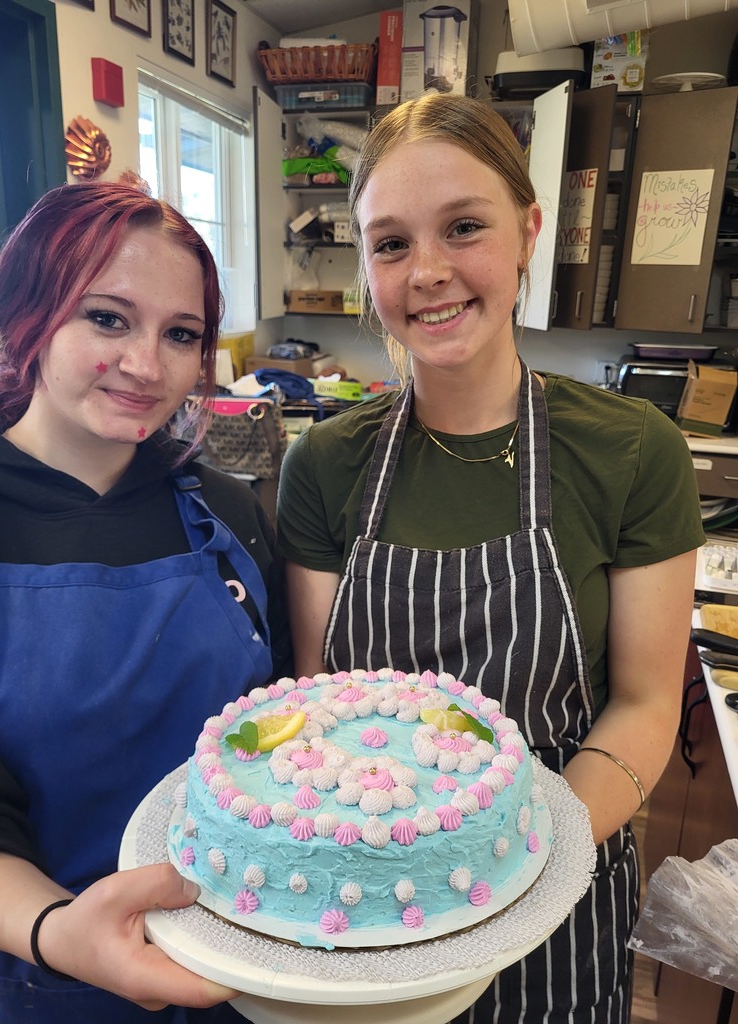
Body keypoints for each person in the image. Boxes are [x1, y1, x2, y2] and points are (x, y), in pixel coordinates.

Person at [277, 93, 704, 1024]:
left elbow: (643, 704)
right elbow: (317, 709)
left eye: (463, 227)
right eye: (390, 244)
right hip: (370, 907)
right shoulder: (323, 464)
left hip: (559, 881)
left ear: (528, 233)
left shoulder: (632, 450)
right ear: (366, 267)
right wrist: (415, 887)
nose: (427, 272)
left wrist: (518, 868)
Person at [0, 180, 290, 1023]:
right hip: (32, 970)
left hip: (241, 970)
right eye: (107, 318)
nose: (147, 366)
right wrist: (58, 930)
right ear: (28, 314)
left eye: (180, 334)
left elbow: (281, 737)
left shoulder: (228, 513)